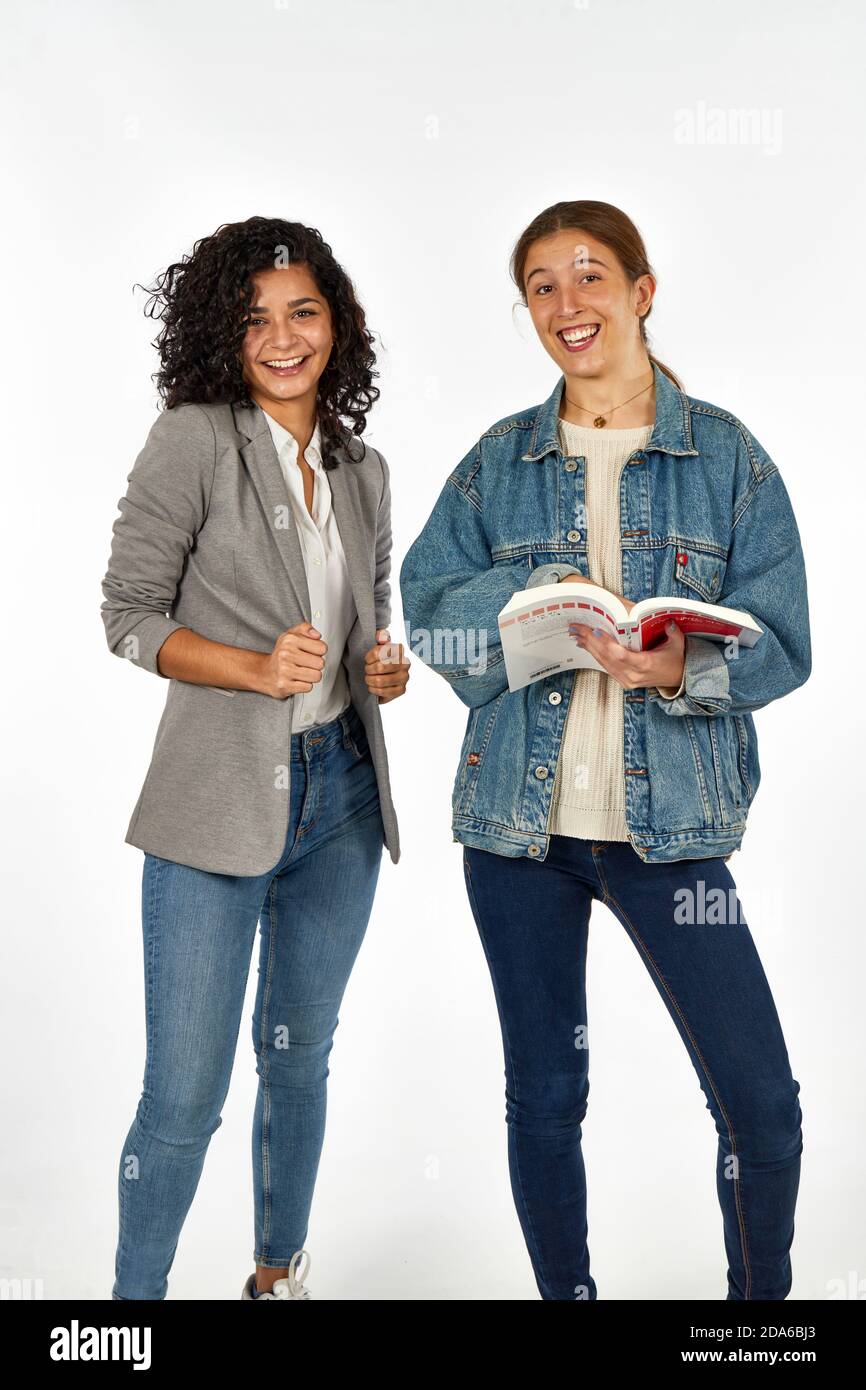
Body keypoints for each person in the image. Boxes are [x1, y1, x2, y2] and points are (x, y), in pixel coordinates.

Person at [400, 200, 810, 1300]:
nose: (564, 305)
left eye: (587, 277)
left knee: (759, 1103)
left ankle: (753, 1318)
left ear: (639, 289)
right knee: (543, 1094)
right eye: (539, 284)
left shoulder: (725, 456)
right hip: (515, 835)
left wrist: (676, 669)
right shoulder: (498, 460)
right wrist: (533, 599)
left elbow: (783, 648)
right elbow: (430, 608)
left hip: (670, 834)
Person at [101, 216, 410, 1300]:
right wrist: (250, 666)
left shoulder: (360, 468)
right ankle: (127, 1316)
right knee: (183, 1093)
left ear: (337, 322)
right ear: (220, 336)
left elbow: (363, 621)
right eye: (254, 319)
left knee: (297, 1058)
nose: (282, 338)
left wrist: (379, 670)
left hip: (340, 805)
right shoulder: (192, 438)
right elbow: (128, 618)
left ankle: (276, 1275)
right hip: (213, 807)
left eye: (303, 311)